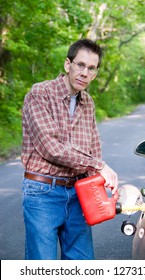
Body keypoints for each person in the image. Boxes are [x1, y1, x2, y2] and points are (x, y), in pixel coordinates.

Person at [21, 38, 118, 260]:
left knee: (81, 265)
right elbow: (51, 148)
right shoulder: (39, 94)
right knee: (42, 267)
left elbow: (94, 148)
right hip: (42, 193)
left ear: (95, 73)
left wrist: (105, 185)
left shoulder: (89, 102)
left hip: (79, 193)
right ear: (68, 65)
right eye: (80, 65)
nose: (85, 72)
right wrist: (100, 166)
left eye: (91, 68)